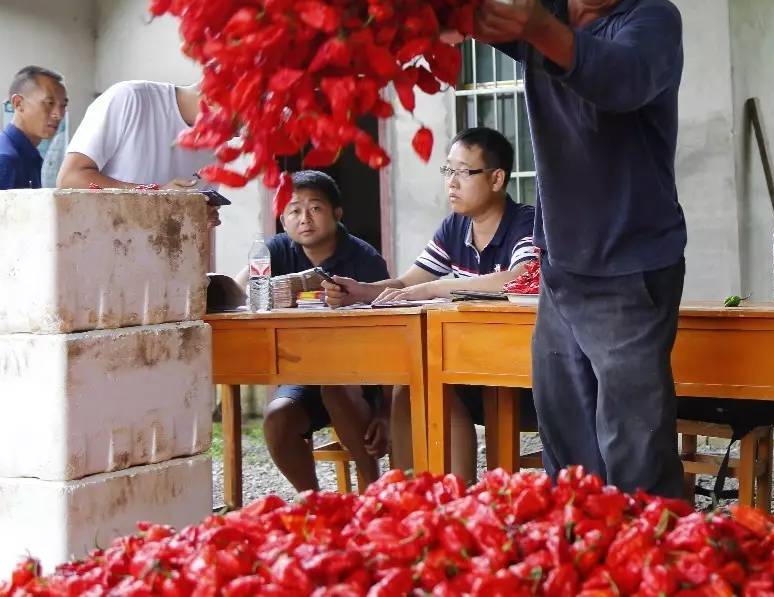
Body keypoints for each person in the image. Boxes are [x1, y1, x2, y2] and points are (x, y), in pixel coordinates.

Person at [466, 0, 688, 498]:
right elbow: (470, 6)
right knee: (567, 448)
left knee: (634, 454)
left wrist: (538, 27)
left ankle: (659, 568)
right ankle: (584, 567)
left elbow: (616, 79)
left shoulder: (652, 20)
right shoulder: (548, 3)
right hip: (561, 270)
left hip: (630, 271)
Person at [324, 127, 537, 481]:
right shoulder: (455, 227)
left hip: (519, 368)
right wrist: (360, 291)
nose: (451, 183)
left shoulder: (524, 222)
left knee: (435, 377)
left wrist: (436, 289)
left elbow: (519, 277)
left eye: (463, 172)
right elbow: (410, 284)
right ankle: (413, 497)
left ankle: (459, 497)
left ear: (497, 178)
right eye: (447, 171)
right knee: (411, 381)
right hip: (466, 362)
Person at [232, 170, 391, 491]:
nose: (304, 218)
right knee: (277, 417)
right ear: (283, 218)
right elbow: (237, 292)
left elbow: (391, 335)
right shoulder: (274, 251)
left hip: (360, 379)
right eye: (294, 210)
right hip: (303, 374)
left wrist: (387, 411)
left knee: (335, 388)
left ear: (337, 213)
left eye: (315, 208)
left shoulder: (364, 258)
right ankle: (312, 502)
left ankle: (374, 494)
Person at [57, 79, 221, 225]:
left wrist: (199, 216)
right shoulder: (129, 98)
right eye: (240, 121)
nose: (241, 134)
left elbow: (178, 217)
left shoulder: (219, 146)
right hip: (101, 251)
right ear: (213, 97)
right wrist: (151, 194)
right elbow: (70, 179)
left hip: (163, 255)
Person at [0, 66, 68, 191]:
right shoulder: (2, 163)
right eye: (49, 103)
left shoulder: (25, 156)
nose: (58, 114)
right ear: (18, 103)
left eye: (63, 105)